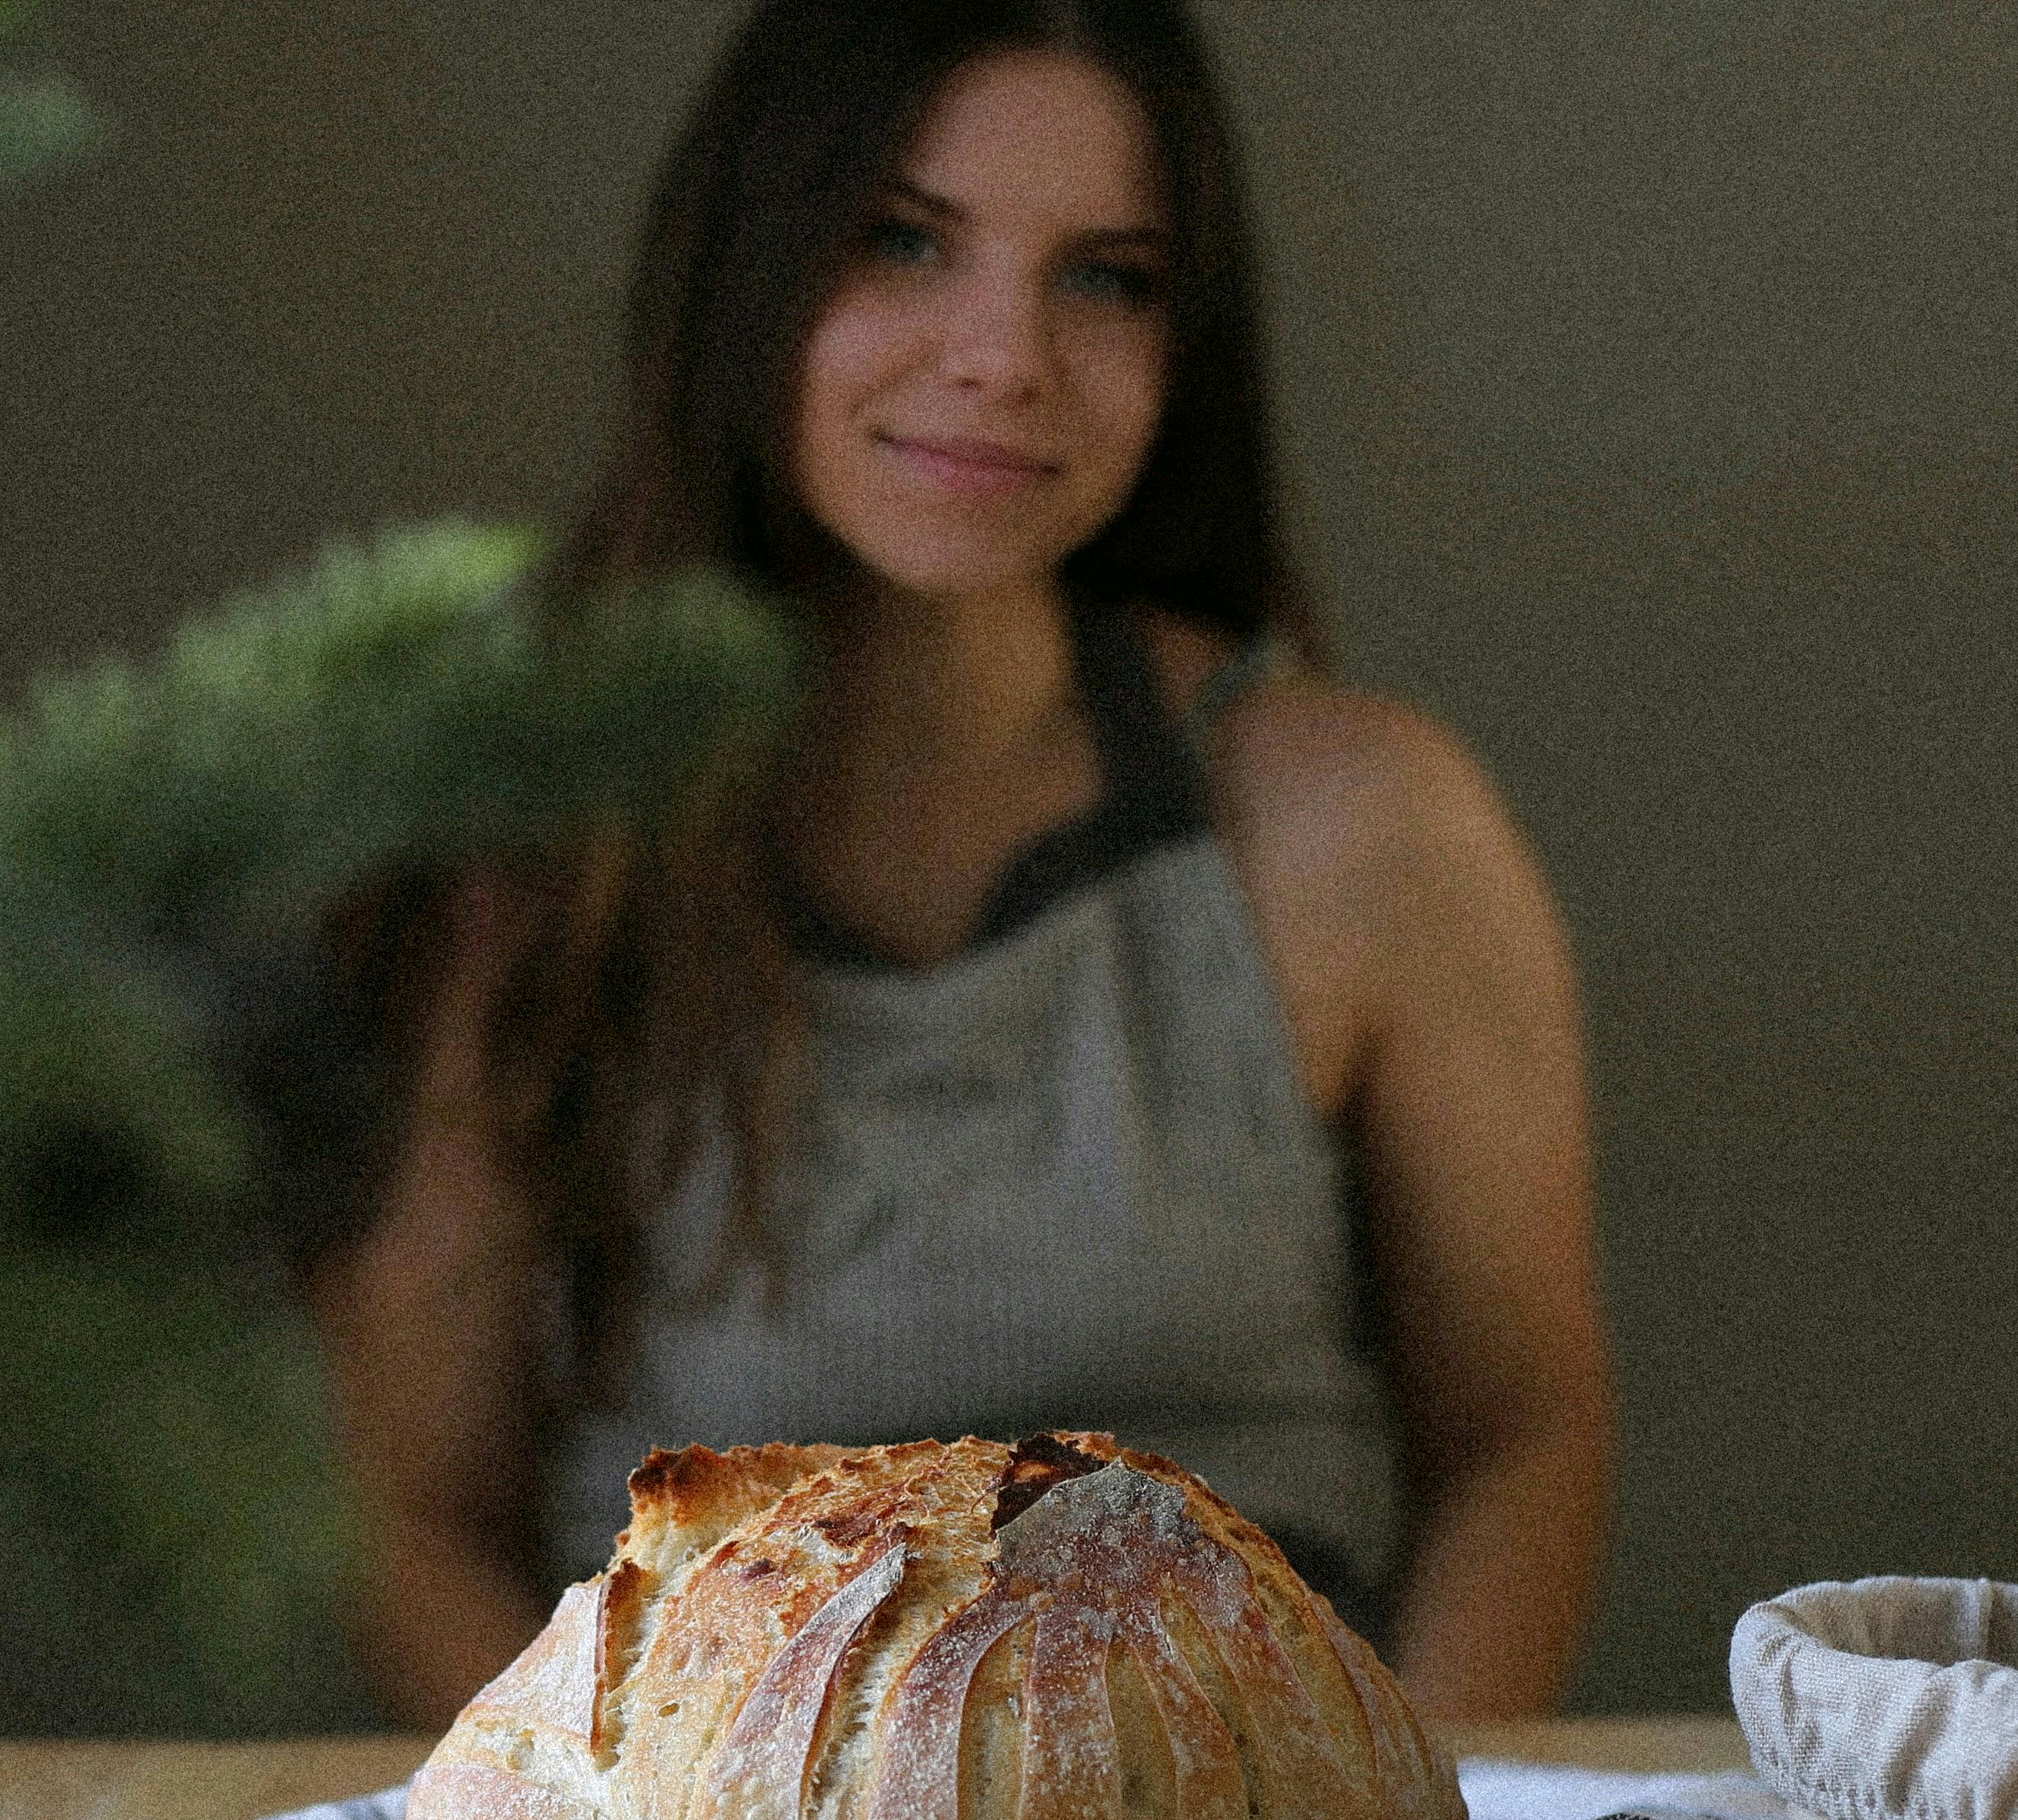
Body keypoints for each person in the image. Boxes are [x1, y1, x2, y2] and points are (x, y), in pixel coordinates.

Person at [311, 0, 1611, 1725]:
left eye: (1107, 279)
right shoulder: (517, 857)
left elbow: (1520, 1436)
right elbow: (402, 1516)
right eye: (903, 241)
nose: (1002, 352)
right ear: (743, 269)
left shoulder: (1361, 824)